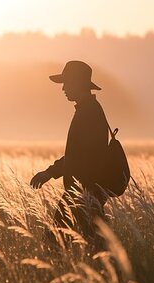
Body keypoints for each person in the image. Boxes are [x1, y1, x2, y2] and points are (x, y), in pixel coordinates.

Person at [30, 60, 110, 245]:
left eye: (67, 83)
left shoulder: (89, 113)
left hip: (84, 192)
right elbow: (78, 155)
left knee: (55, 243)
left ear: (78, 84)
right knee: (93, 244)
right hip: (83, 191)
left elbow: (82, 157)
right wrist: (51, 172)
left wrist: (50, 172)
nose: (63, 88)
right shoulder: (87, 110)